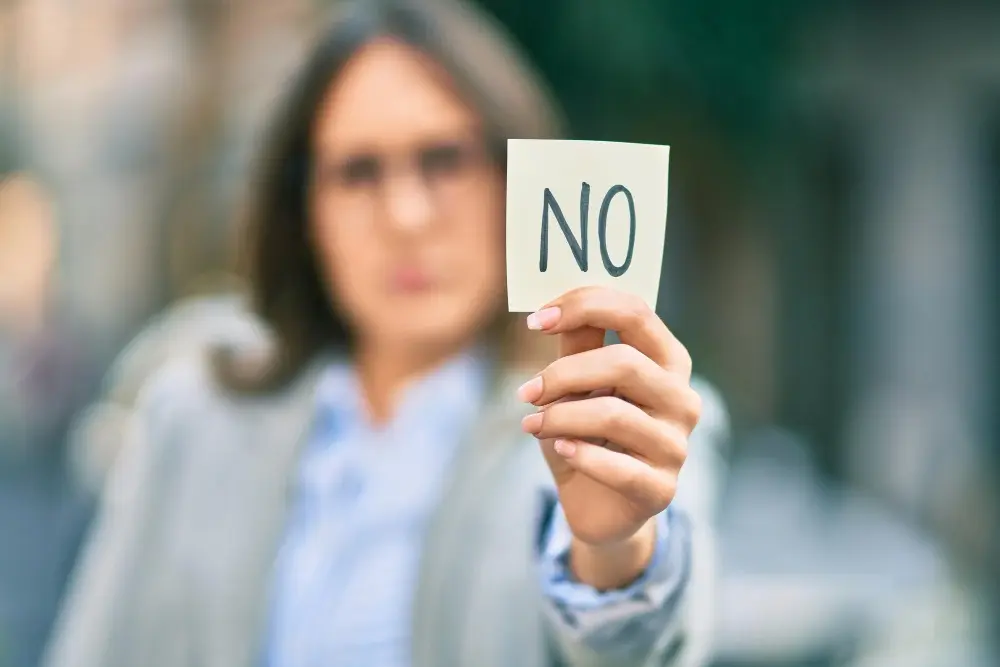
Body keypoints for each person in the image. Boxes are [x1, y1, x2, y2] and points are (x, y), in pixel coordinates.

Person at [43, 1, 728, 666]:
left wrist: (614, 552)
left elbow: (645, 648)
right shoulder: (194, 415)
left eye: (444, 159)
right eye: (357, 171)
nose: (405, 215)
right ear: (305, 210)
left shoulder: (625, 420)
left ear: (517, 179)